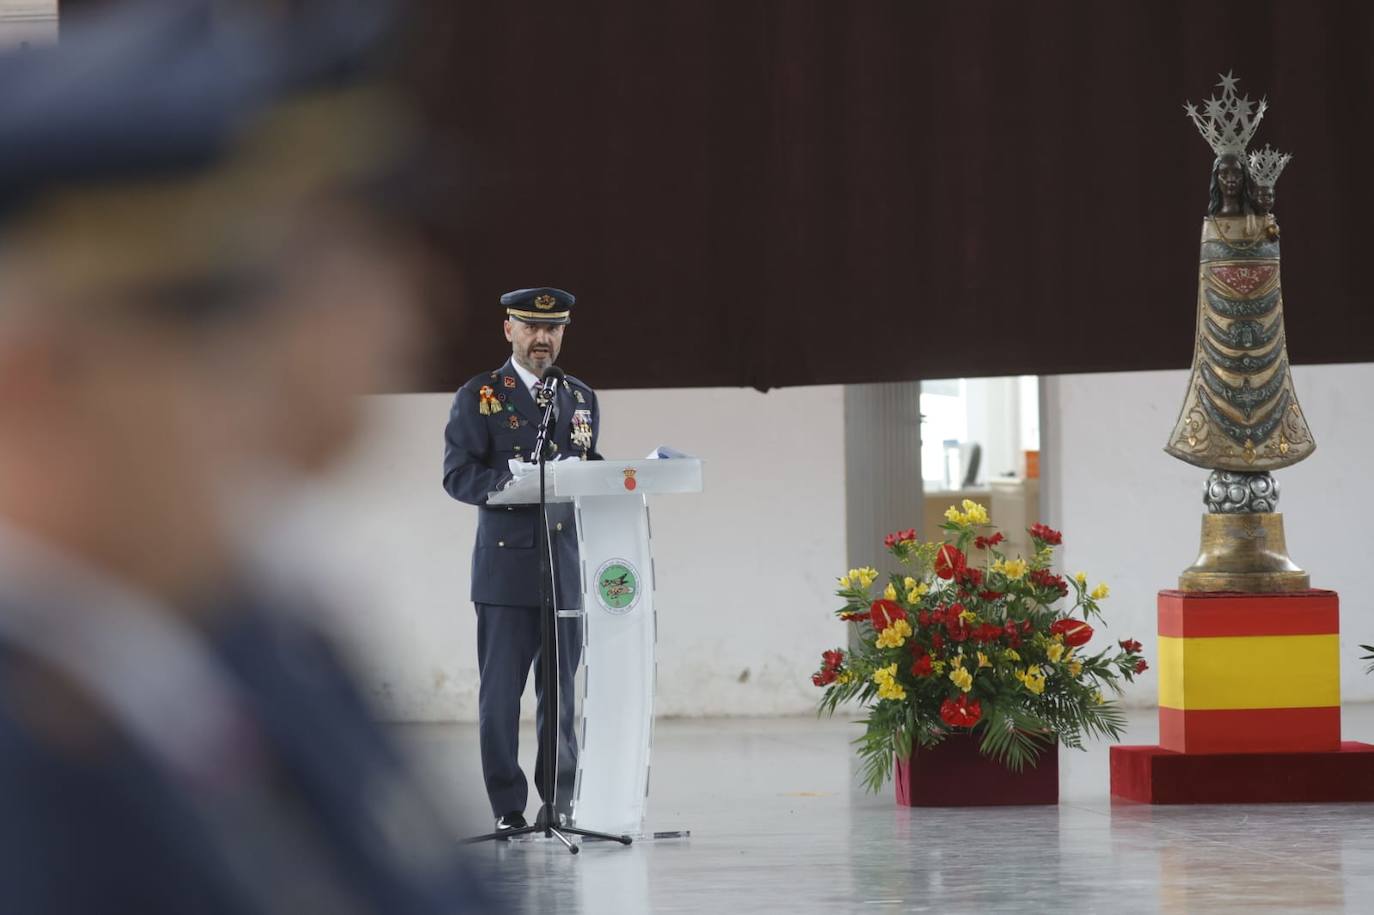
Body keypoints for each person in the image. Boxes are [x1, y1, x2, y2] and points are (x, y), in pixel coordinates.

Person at [0, 3, 490, 911]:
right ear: (36, 376)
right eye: (218, 325)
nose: (262, 384)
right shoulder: (35, 757)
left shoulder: (224, 651)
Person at [442, 287, 600, 832]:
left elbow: (587, 466)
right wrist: (510, 483)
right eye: (531, 328)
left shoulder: (579, 397)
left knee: (560, 698)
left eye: (553, 328)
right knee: (501, 699)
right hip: (506, 570)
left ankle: (559, 804)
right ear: (508, 329)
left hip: (564, 568)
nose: (542, 339)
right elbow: (457, 476)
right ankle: (507, 808)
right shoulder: (480, 395)